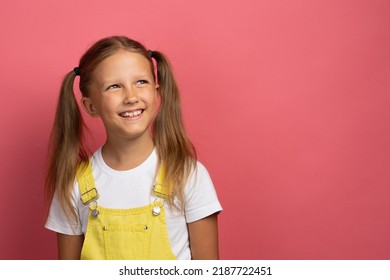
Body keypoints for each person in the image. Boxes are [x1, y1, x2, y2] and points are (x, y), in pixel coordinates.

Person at [44, 36, 222, 260]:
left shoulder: (188, 175)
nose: (131, 97)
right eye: (114, 86)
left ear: (156, 93)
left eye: (140, 82)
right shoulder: (73, 185)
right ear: (91, 106)